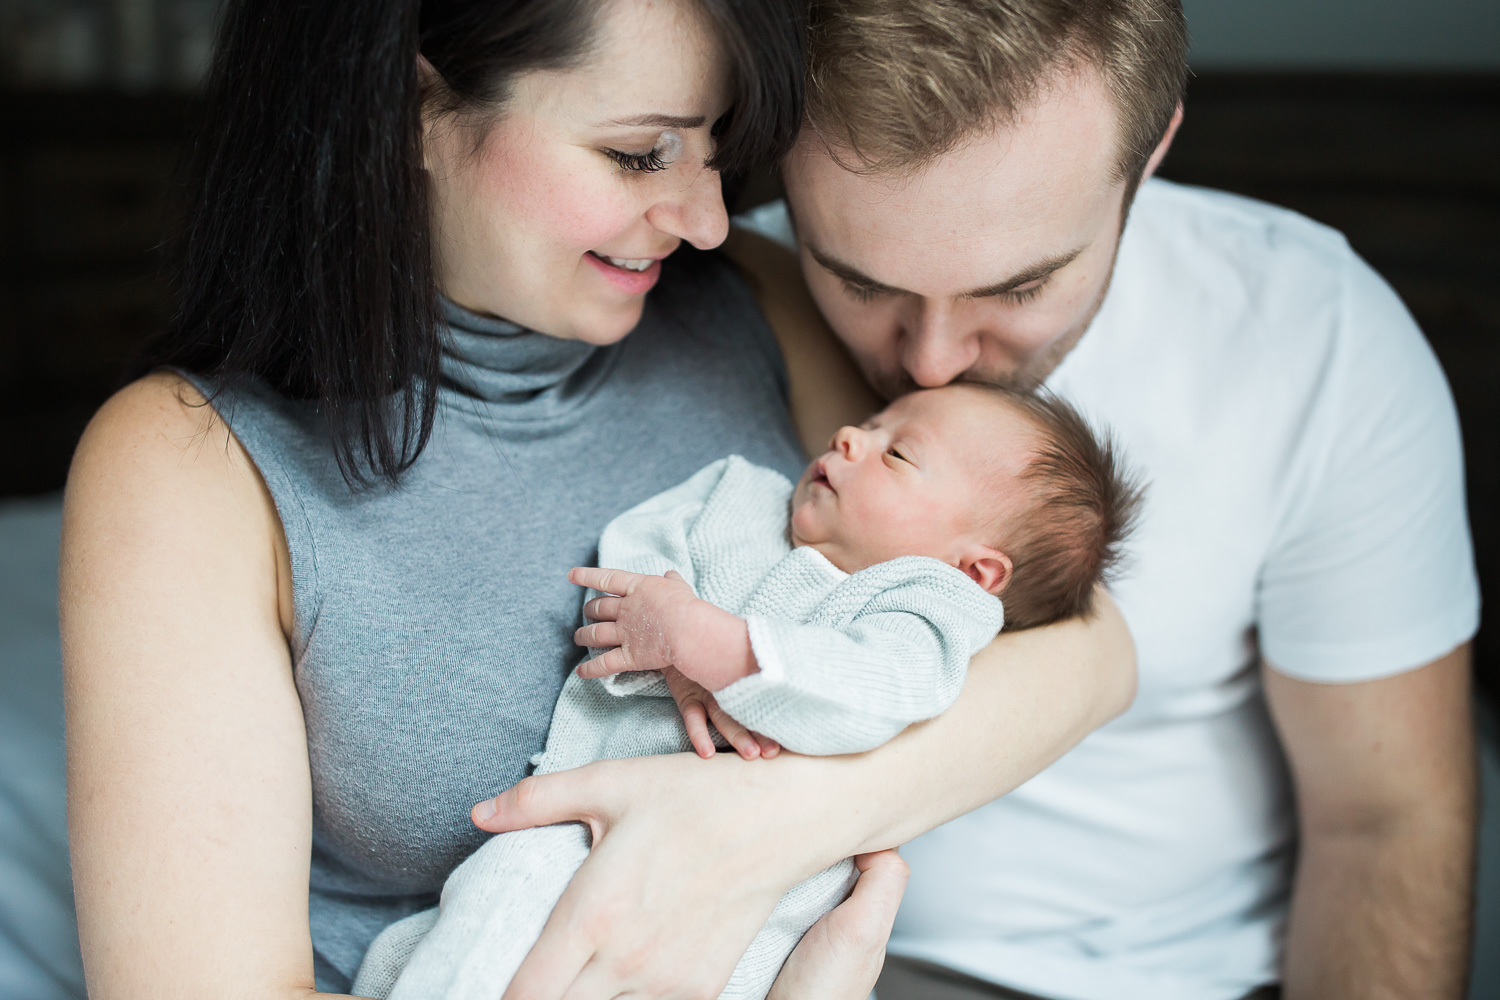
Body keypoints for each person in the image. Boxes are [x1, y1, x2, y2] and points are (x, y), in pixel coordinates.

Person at [58, 2, 1135, 999]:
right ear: (410, 112)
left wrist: (750, 831)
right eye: (637, 152)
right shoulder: (186, 463)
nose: (708, 218)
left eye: (715, 145)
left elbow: (1083, 650)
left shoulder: (746, 302)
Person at [730, 0, 1481, 997]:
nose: (934, 361)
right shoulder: (709, 299)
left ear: (1152, 146)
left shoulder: (1316, 341)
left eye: (1019, 287)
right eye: (860, 282)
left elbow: (1382, 823)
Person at [352, 383, 1140, 1000]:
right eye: (870, 421)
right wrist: (670, 652)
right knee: (472, 924)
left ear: (976, 571)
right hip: (581, 830)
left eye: (897, 455)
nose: (851, 437)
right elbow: (635, 558)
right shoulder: (737, 497)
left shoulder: (927, 611)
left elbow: (875, 691)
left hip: (762, 915)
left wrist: (718, 647)